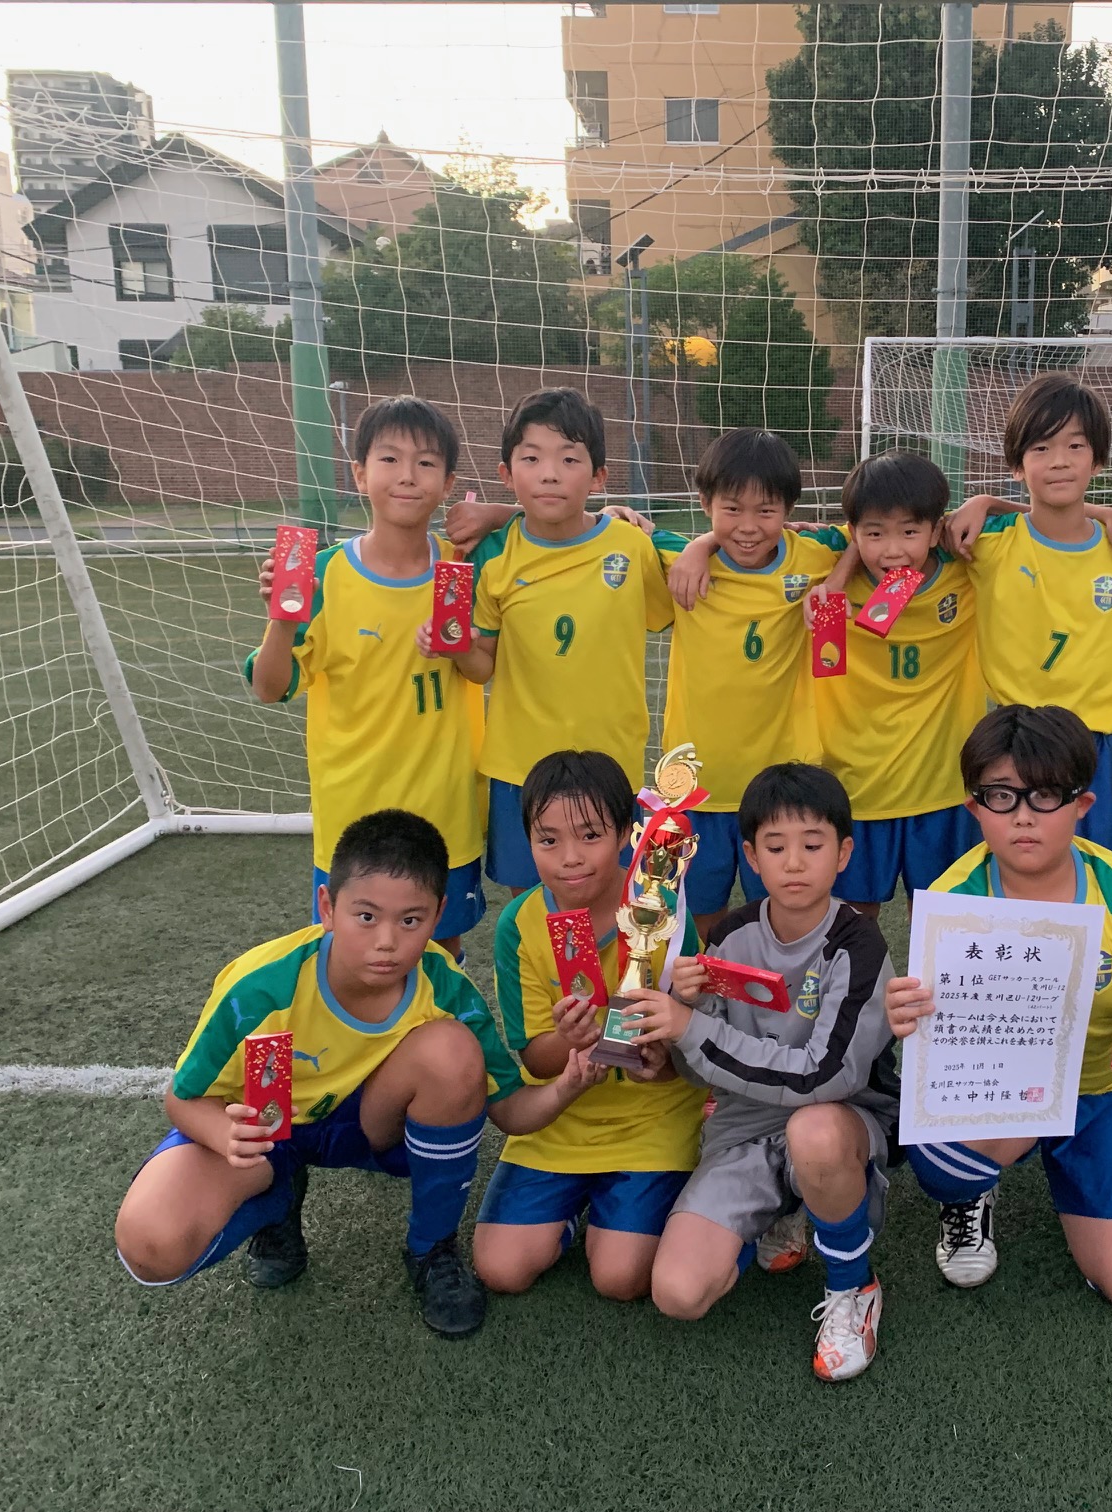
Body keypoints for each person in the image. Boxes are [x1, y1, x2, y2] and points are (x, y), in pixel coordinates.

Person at [113, 809, 607, 1338]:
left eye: (410, 921)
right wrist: (224, 1136)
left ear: (438, 916)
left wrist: (567, 1085)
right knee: (150, 1244)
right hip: (265, 1131)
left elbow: (509, 1111)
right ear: (328, 906)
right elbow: (182, 1098)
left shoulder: (447, 990)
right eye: (366, 916)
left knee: (452, 1052)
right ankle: (275, 1201)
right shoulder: (259, 987)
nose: (387, 941)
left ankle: (431, 1249)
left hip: (372, 1124)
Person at [885, 705, 1112, 1308]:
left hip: (1100, 1091)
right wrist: (906, 1019)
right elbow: (937, 1046)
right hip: (996, 1092)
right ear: (974, 807)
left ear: (1082, 805)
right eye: (1001, 796)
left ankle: (1092, 1173)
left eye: (1046, 795)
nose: (1024, 816)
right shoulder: (953, 902)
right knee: (938, 1158)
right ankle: (971, 1196)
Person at [626, 763, 899, 1383]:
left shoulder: (859, 947)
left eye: (812, 845)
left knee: (813, 1133)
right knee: (678, 1292)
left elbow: (824, 1077)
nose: (794, 863)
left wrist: (692, 1028)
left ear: (843, 853)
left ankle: (852, 1286)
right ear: (751, 857)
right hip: (745, 1127)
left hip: (840, 1121)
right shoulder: (729, 936)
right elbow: (700, 1072)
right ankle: (778, 1209)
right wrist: (684, 1019)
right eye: (776, 847)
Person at [247, 396, 485, 958]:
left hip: (445, 806)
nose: (407, 475)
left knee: (441, 951)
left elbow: (485, 668)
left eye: (426, 463)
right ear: (359, 473)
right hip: (352, 814)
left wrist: (457, 649)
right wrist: (282, 621)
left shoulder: (465, 565)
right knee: (352, 957)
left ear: (448, 483)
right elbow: (269, 687)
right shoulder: (323, 573)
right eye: (389, 459)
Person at [471, 751, 704, 1302]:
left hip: (652, 1116)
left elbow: (691, 1038)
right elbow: (535, 1057)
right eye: (548, 840)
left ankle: (621, 1211)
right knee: (500, 1269)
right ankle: (573, 1215)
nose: (570, 858)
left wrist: (660, 1058)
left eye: (590, 836)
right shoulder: (519, 925)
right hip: (562, 1114)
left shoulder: (662, 909)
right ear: (528, 841)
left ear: (626, 833)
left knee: (620, 1278)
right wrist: (571, 1042)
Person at [433, 388, 674, 893]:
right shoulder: (491, 556)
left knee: (612, 902)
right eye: (532, 458)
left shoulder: (631, 545)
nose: (549, 474)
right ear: (506, 474)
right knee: (532, 906)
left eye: (569, 459)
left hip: (612, 766)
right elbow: (482, 666)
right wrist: (457, 649)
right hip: (520, 767)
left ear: (599, 476)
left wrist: (701, 545)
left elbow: (670, 605)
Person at [935, 375, 1112, 860]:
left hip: (1097, 746)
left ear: (1097, 459)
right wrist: (984, 501)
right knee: (1010, 882)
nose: (1059, 460)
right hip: (1014, 741)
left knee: (1098, 881)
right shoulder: (985, 542)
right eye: (1041, 448)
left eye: (1075, 446)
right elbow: (890, 534)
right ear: (1017, 465)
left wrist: (1109, 513)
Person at [653, 429, 846, 939]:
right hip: (697, 781)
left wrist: (834, 584)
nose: (748, 526)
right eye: (732, 509)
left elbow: (864, 534)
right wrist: (700, 545)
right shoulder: (675, 558)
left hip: (781, 779)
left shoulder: (813, 554)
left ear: (789, 510)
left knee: (786, 910)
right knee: (702, 914)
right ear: (705, 504)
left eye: (766, 511)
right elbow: (613, 525)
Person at [808, 450, 981, 918]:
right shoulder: (822, 577)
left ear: (936, 530)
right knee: (852, 922)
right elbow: (753, 533)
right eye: (874, 534)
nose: (892, 550)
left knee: (943, 920)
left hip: (943, 788)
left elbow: (1044, 520)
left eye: (909, 532)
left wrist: (985, 501)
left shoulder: (968, 569)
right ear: (852, 533)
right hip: (858, 789)